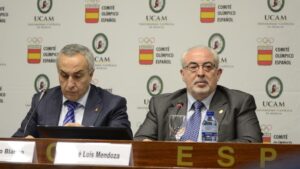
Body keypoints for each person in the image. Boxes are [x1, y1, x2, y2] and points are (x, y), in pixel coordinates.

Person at [134, 45, 262, 142]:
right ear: (183, 74)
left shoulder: (239, 103)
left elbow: (251, 143)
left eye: (208, 67)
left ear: (218, 74)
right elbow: (141, 140)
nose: (200, 73)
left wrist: (201, 152)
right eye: (193, 67)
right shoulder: (161, 104)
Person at [13, 44, 132, 138]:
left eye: (78, 76)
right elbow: (18, 140)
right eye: (64, 75)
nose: (70, 84)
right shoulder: (42, 100)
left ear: (91, 74)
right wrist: (26, 143)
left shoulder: (112, 105)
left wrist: (85, 136)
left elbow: (123, 145)